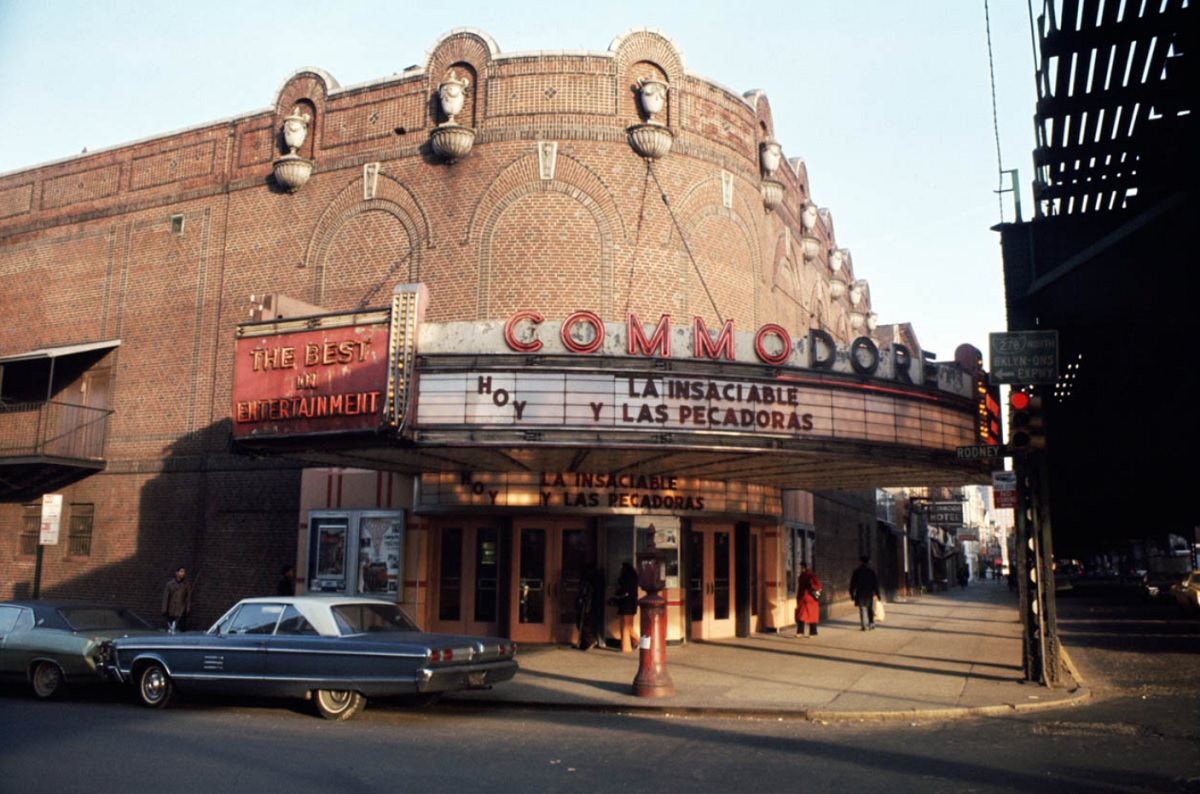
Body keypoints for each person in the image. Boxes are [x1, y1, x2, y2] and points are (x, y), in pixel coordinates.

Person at [849, 556, 880, 631]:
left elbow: (852, 584)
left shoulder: (856, 571)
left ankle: (863, 625)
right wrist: (877, 594)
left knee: (862, 609)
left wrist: (852, 594)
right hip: (869, 593)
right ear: (868, 562)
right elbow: (875, 584)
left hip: (860, 593)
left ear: (861, 562)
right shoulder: (871, 571)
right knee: (870, 609)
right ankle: (871, 623)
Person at [615, 561, 640, 653]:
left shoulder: (625, 578)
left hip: (626, 604)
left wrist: (617, 593)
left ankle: (631, 645)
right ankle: (629, 645)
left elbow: (622, 590)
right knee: (628, 626)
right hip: (632, 604)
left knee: (626, 626)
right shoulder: (634, 578)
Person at [162, 565, 192, 633]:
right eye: (181, 572)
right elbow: (166, 598)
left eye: (184, 572)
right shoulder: (169, 584)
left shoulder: (186, 584)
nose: (183, 573)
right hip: (171, 610)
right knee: (171, 628)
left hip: (181, 610)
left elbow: (188, 598)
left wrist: (188, 609)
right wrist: (164, 609)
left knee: (181, 628)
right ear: (177, 573)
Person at [794, 562, 821, 638]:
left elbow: (818, 586)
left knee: (807, 616)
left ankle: (808, 632)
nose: (800, 569)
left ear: (804, 568)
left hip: (810, 599)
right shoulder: (803, 576)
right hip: (805, 599)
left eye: (801, 567)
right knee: (802, 615)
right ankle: (805, 632)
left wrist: (811, 585)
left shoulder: (810, 576)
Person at [575, 565, 598, 650]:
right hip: (589, 606)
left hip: (586, 606)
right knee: (585, 624)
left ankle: (590, 640)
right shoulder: (594, 582)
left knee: (583, 624)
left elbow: (583, 594)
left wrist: (580, 602)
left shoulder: (585, 583)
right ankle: (586, 642)